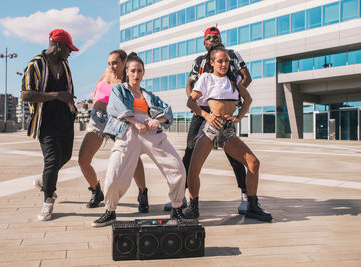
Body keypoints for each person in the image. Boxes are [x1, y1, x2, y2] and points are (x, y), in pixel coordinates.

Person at [92, 52, 186, 227]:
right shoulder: (119, 89)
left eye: (139, 71)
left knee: (177, 167)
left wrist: (157, 120)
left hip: (150, 132)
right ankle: (110, 211)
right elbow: (114, 107)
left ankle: (177, 208)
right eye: (133, 71)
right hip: (128, 131)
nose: (136, 75)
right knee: (114, 176)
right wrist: (135, 121)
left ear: (143, 73)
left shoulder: (149, 95)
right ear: (127, 72)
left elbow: (168, 111)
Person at [164, 26, 251, 215]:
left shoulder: (232, 55)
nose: (213, 40)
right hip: (203, 109)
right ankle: (182, 196)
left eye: (216, 37)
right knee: (189, 150)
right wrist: (197, 100)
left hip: (224, 110)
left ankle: (245, 195)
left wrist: (233, 94)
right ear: (204, 42)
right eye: (209, 38)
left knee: (233, 153)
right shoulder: (200, 61)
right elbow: (190, 82)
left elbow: (246, 77)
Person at [184, 45, 272, 222]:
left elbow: (248, 99)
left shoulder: (234, 79)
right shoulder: (206, 78)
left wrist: (239, 117)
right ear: (212, 62)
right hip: (210, 128)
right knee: (193, 170)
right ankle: (193, 208)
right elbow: (191, 102)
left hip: (227, 130)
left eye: (226, 61)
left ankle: (252, 206)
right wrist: (206, 115)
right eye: (220, 61)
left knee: (253, 163)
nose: (224, 64)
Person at [78, 49, 149, 213]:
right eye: (109, 63)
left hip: (118, 122)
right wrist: (96, 99)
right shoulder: (107, 72)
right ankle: (96, 191)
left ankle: (143, 193)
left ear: (125, 63)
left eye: (115, 63)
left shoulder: (129, 80)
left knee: (133, 157)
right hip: (98, 119)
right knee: (83, 159)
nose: (111, 66)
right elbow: (99, 85)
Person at [21, 29, 78, 221]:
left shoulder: (65, 64)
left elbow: (68, 89)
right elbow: (25, 94)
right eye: (69, 48)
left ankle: (45, 179)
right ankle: (48, 201)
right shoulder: (35, 64)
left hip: (65, 120)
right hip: (46, 122)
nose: (71, 52)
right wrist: (57, 95)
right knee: (52, 161)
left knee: (67, 155)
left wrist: (70, 104)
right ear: (59, 46)